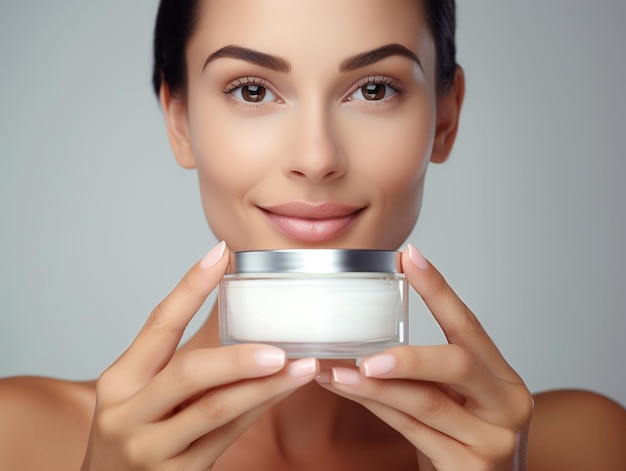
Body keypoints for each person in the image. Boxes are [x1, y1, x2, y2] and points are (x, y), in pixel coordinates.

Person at [1, 0, 625, 469]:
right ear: (180, 119)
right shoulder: (21, 438)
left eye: (374, 89)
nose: (317, 157)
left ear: (445, 117)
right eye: (252, 89)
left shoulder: (586, 445)